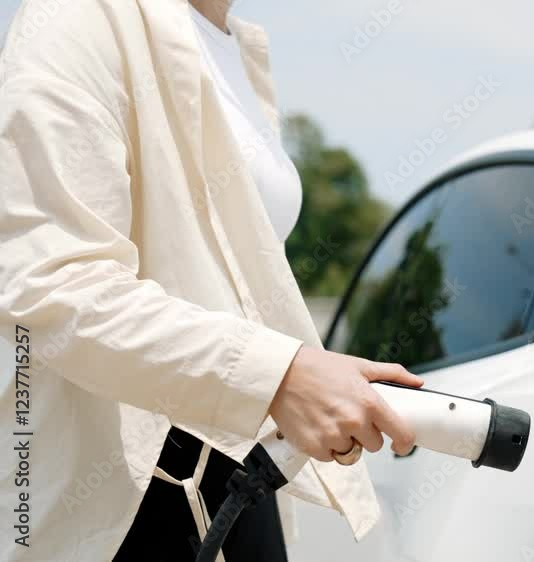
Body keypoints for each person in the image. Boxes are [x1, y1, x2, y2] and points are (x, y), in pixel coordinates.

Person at [0, 0, 421, 560]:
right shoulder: (80, 15)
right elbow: (51, 281)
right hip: (124, 498)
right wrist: (279, 375)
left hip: (239, 472)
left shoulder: (233, 49)